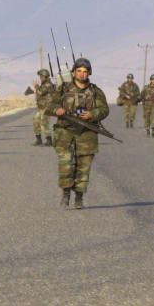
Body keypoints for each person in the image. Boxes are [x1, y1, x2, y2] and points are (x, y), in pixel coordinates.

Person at [45, 58, 109, 210]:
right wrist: (57, 110)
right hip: (64, 132)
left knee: (84, 167)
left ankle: (79, 197)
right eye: (79, 71)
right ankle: (66, 193)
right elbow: (51, 105)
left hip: (87, 133)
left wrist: (92, 114)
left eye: (85, 71)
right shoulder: (63, 88)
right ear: (74, 72)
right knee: (65, 165)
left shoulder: (95, 91)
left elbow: (105, 109)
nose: (81, 74)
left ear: (89, 73)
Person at [28, 68, 56, 146]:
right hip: (41, 107)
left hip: (46, 108)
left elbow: (41, 92)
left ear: (44, 76)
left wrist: (36, 85)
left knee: (44, 124)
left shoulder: (48, 84)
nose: (40, 78)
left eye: (41, 76)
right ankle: (39, 140)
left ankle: (49, 140)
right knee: (36, 122)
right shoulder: (44, 84)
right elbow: (40, 93)